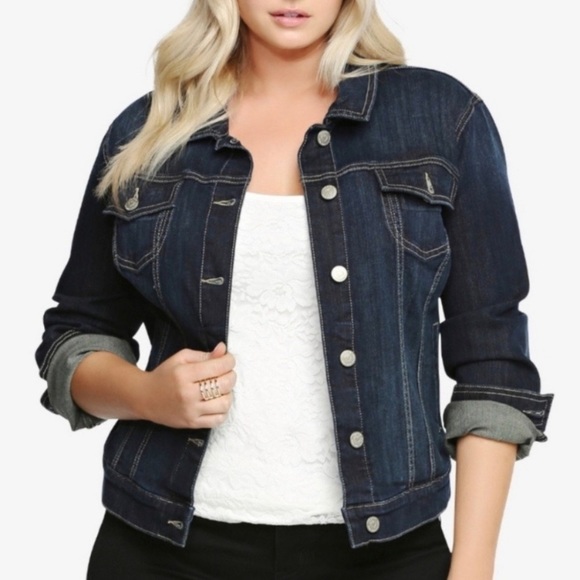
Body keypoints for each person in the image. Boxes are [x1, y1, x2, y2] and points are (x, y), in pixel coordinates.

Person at [36, 1, 553, 578]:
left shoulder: (439, 117)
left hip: (387, 555)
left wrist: (473, 565)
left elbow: (492, 359)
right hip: (160, 547)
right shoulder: (147, 132)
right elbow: (75, 336)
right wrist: (147, 395)